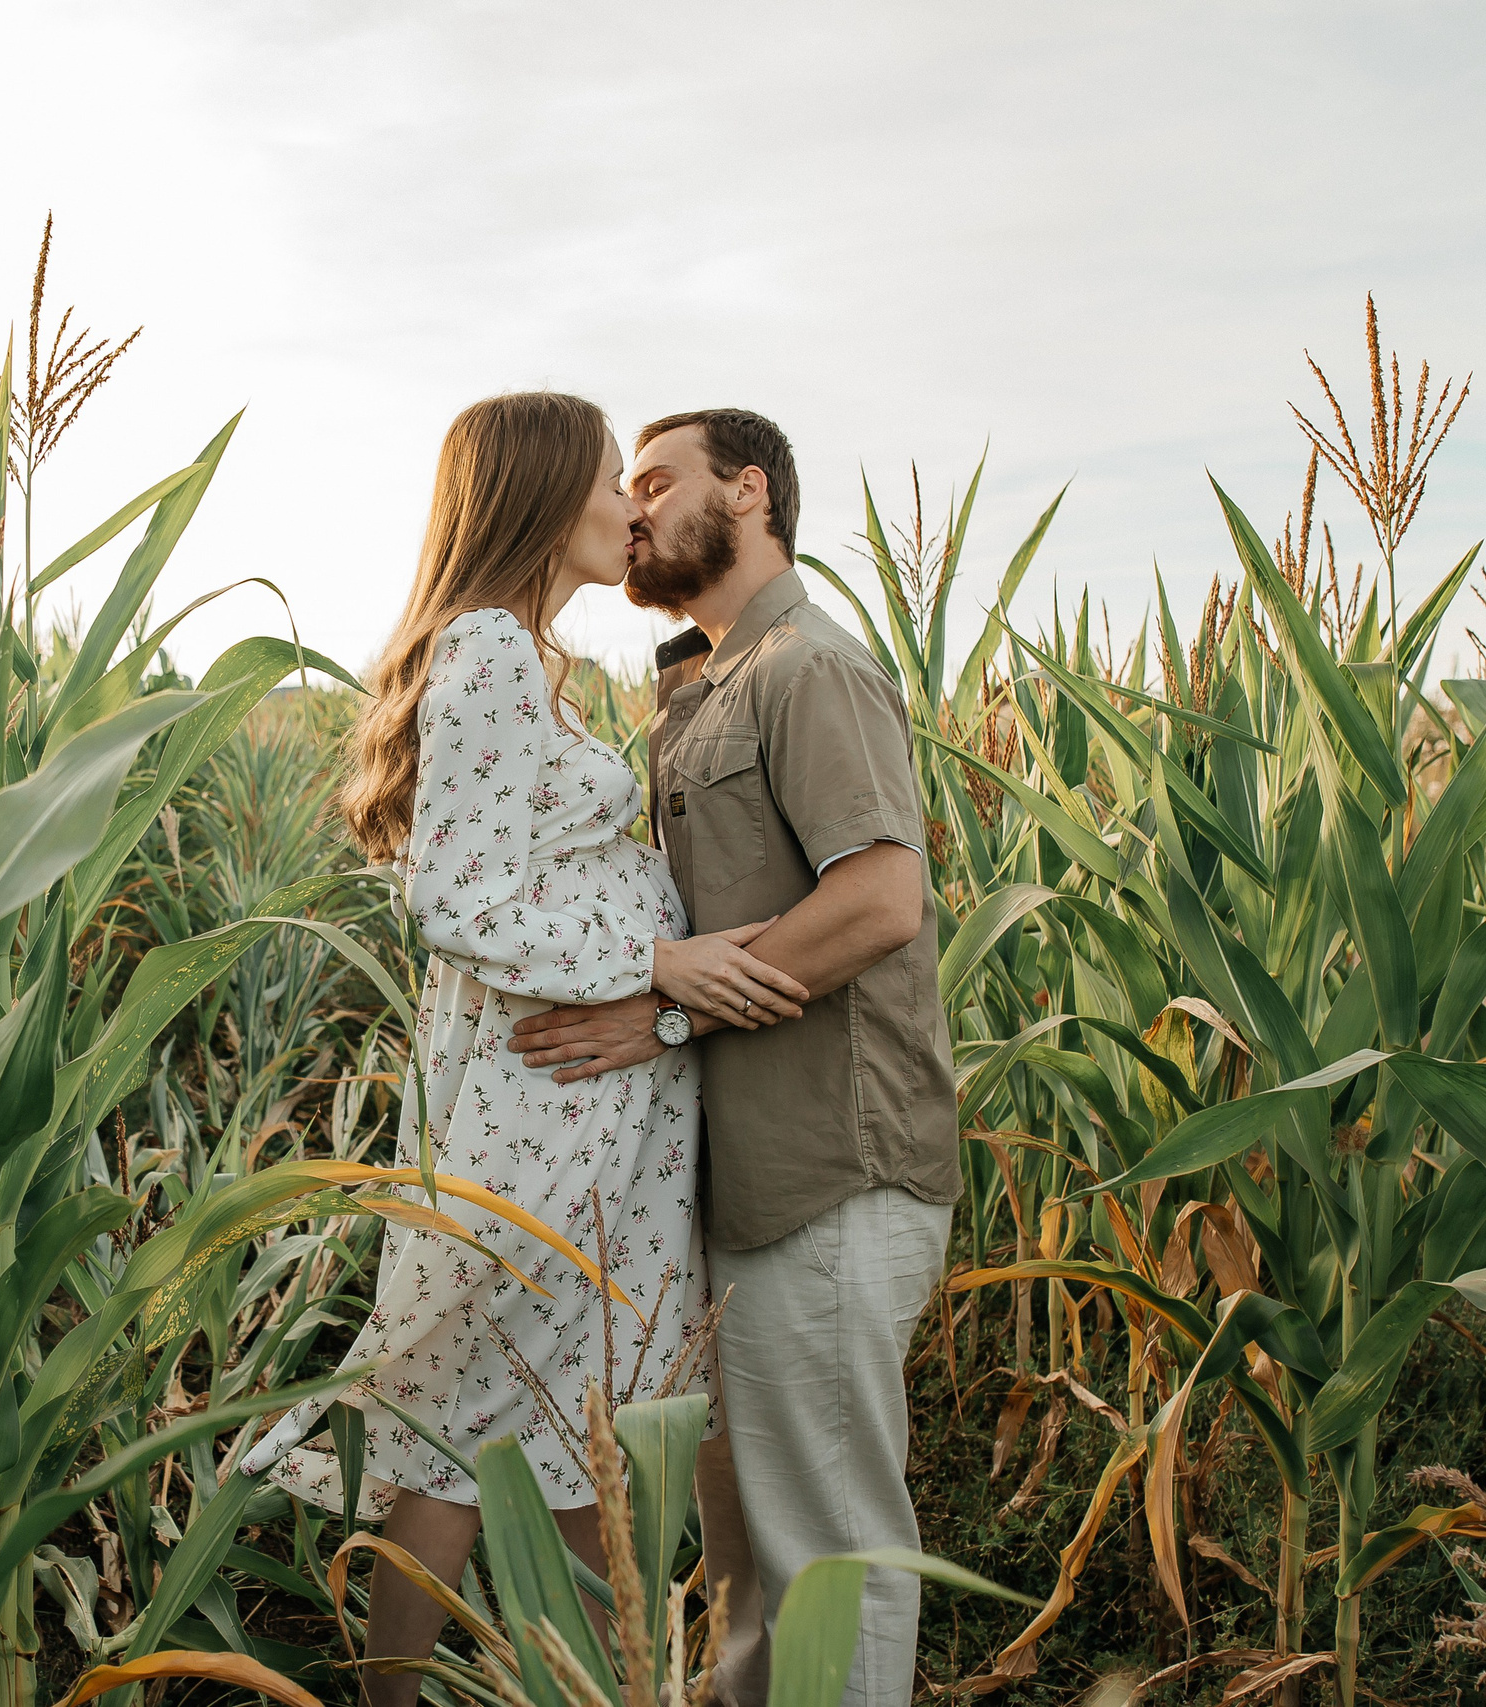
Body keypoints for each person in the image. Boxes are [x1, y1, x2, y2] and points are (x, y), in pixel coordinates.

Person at [234, 392, 809, 1707]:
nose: (632, 508)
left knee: (561, 1430)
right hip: (541, 1116)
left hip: (586, 1116)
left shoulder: (525, 660)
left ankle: (572, 1689)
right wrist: (657, 964)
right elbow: (457, 905)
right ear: (547, 499)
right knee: (459, 1427)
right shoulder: (489, 651)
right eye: (614, 482)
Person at [508, 408, 960, 1707]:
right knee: (753, 1552)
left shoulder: (805, 669)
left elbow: (880, 898)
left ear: (749, 492)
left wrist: (665, 1014)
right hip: (742, 1189)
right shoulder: (699, 687)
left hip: (829, 1172)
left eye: (656, 481)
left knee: (832, 1550)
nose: (630, 507)